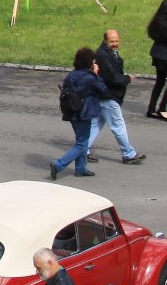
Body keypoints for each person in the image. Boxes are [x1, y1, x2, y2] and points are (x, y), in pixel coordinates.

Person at [91, 30, 144, 165]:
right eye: (112, 41)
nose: (115, 44)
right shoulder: (103, 55)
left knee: (95, 125)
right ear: (105, 41)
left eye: (116, 41)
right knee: (118, 125)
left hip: (103, 95)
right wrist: (127, 78)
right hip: (109, 96)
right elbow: (112, 77)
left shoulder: (106, 52)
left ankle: (82, 150)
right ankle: (129, 154)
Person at [50, 47, 103, 180]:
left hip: (71, 111)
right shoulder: (90, 77)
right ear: (89, 62)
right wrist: (96, 74)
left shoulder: (71, 75)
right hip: (84, 112)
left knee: (82, 140)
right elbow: (103, 89)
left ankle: (81, 168)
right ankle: (58, 164)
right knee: (81, 143)